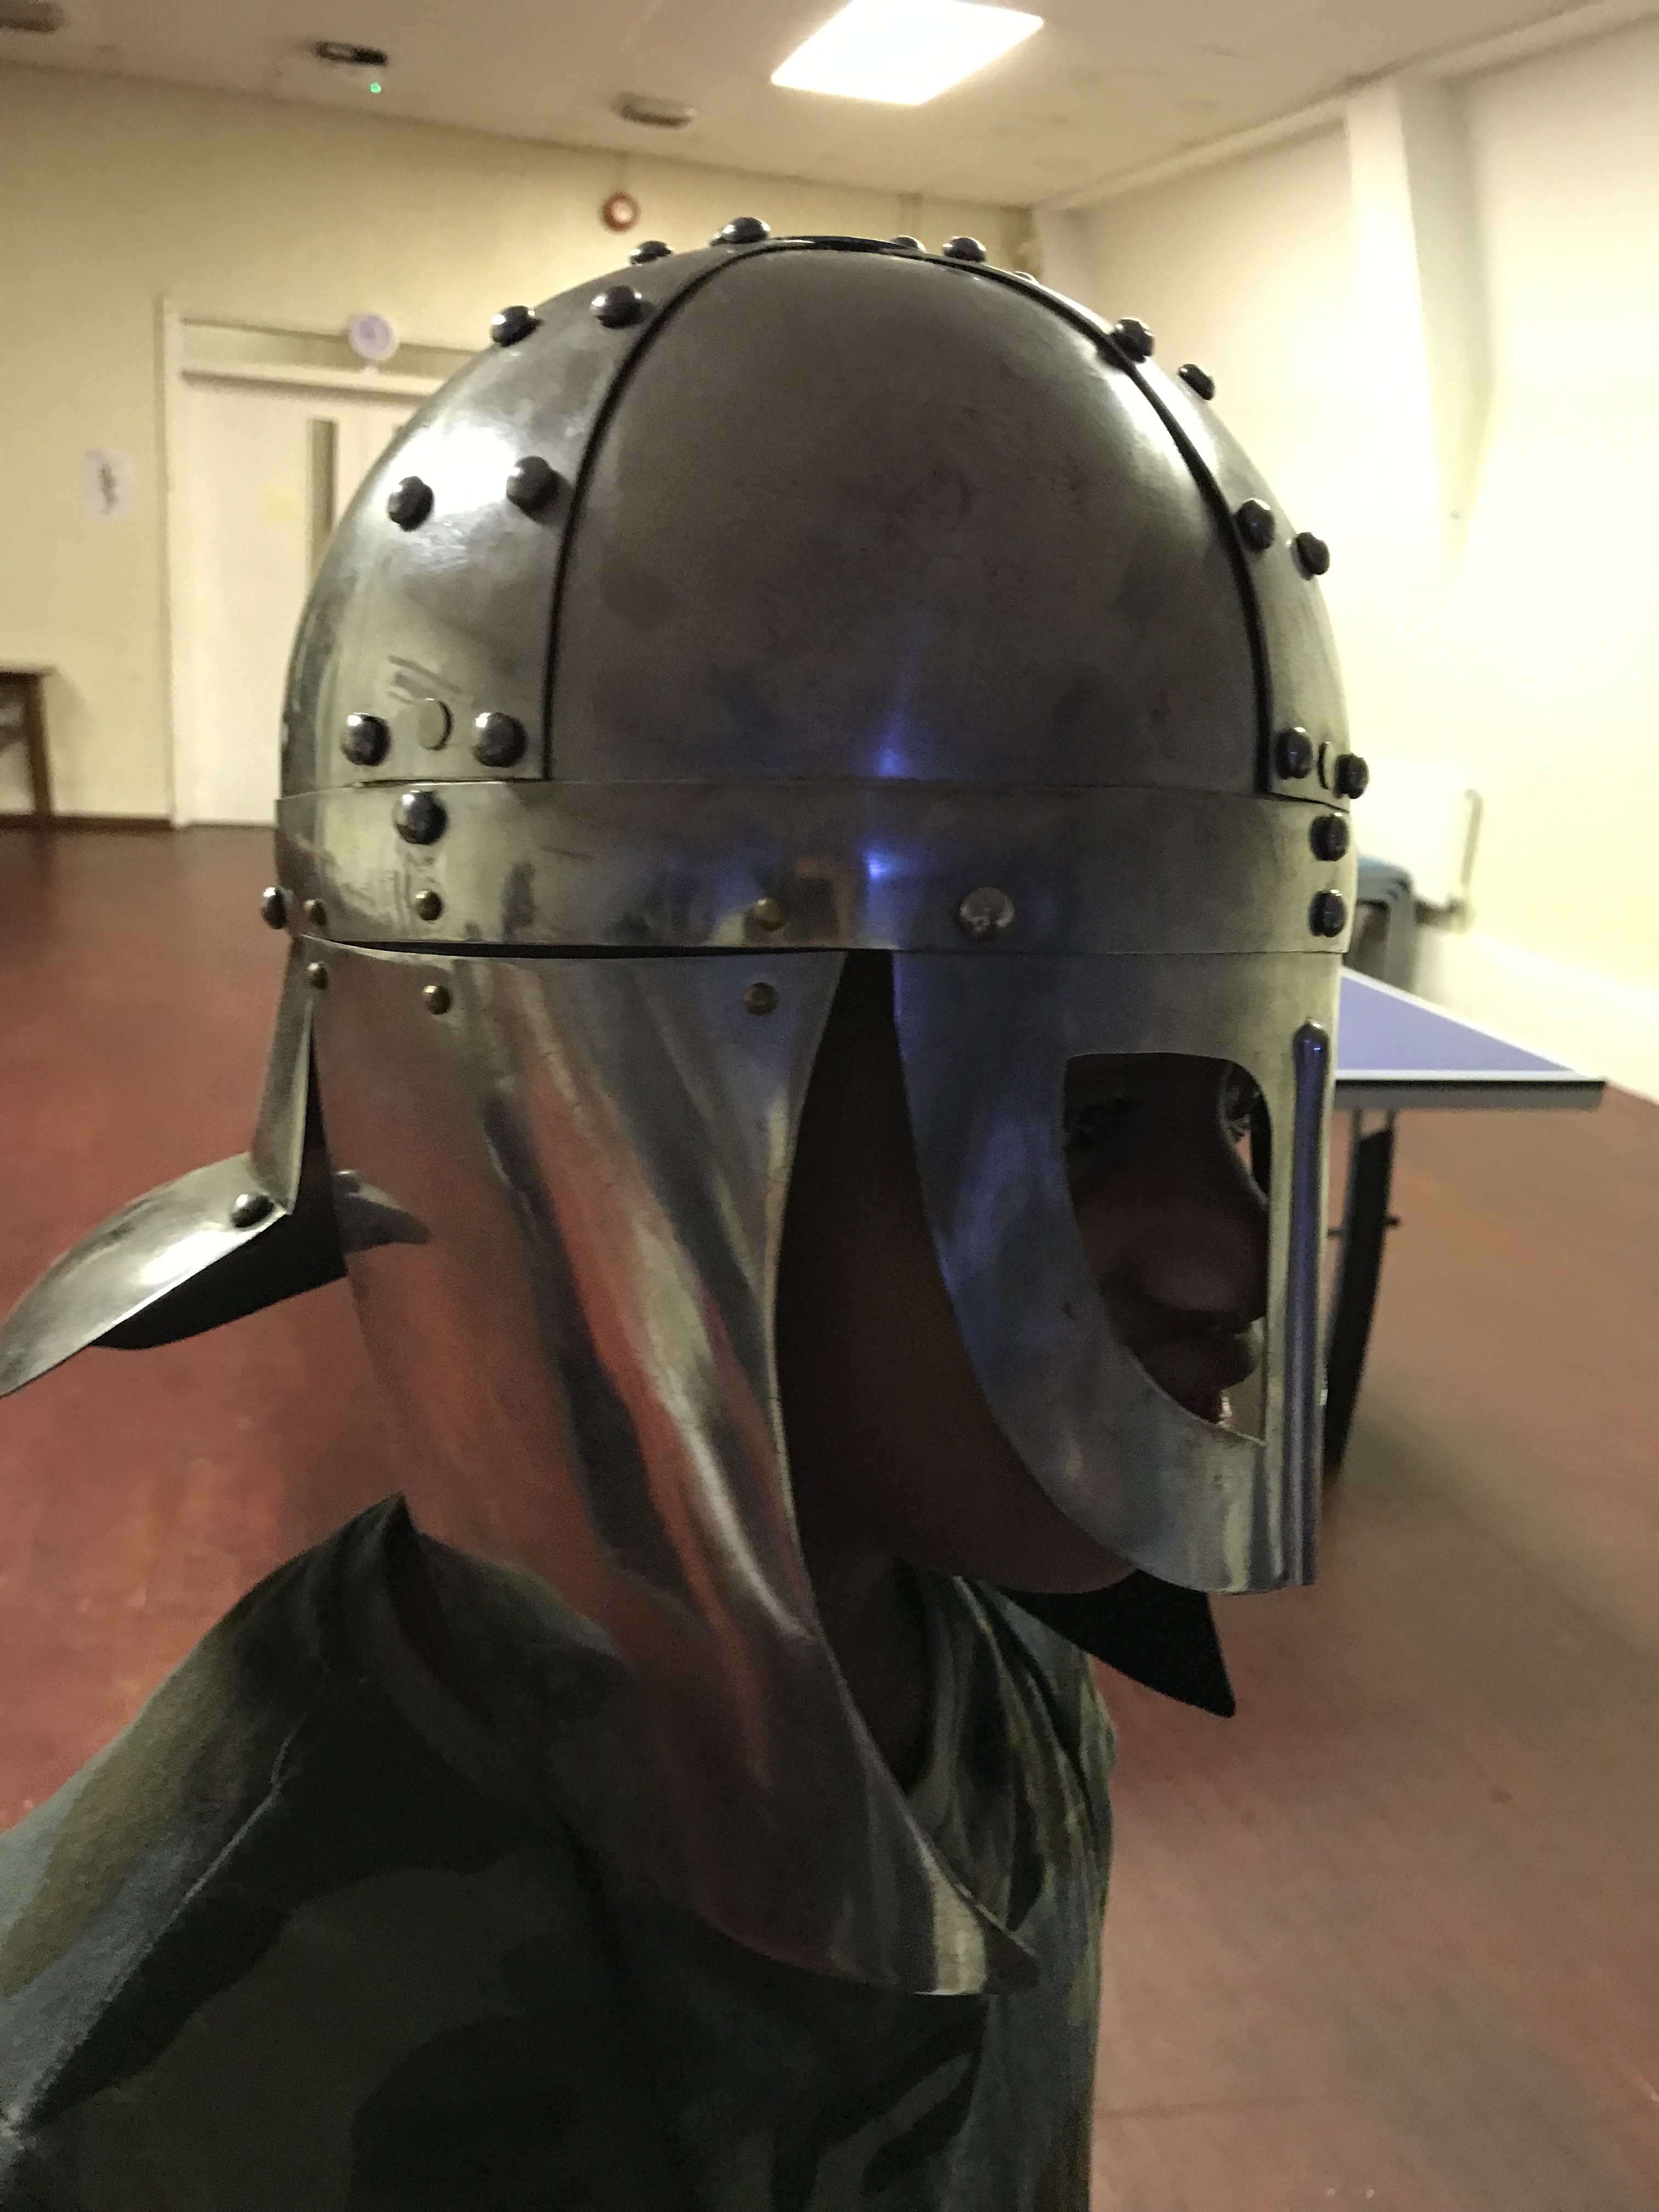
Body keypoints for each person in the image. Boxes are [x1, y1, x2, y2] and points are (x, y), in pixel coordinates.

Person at [0, 224, 1359, 2208]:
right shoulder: (164, 2094)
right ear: (627, 1127)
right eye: (1079, 1128)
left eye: (1236, 1114)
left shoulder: (1005, 1687)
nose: (1228, 1251)